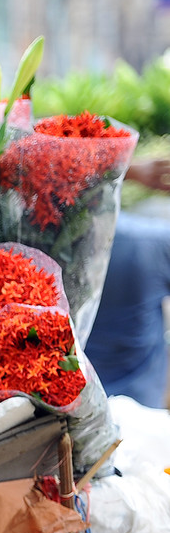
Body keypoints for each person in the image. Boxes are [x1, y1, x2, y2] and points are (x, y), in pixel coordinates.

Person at [84, 159, 170, 408]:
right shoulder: (152, 242)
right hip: (140, 403)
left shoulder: (46, 242)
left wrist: (127, 170)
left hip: (78, 401)